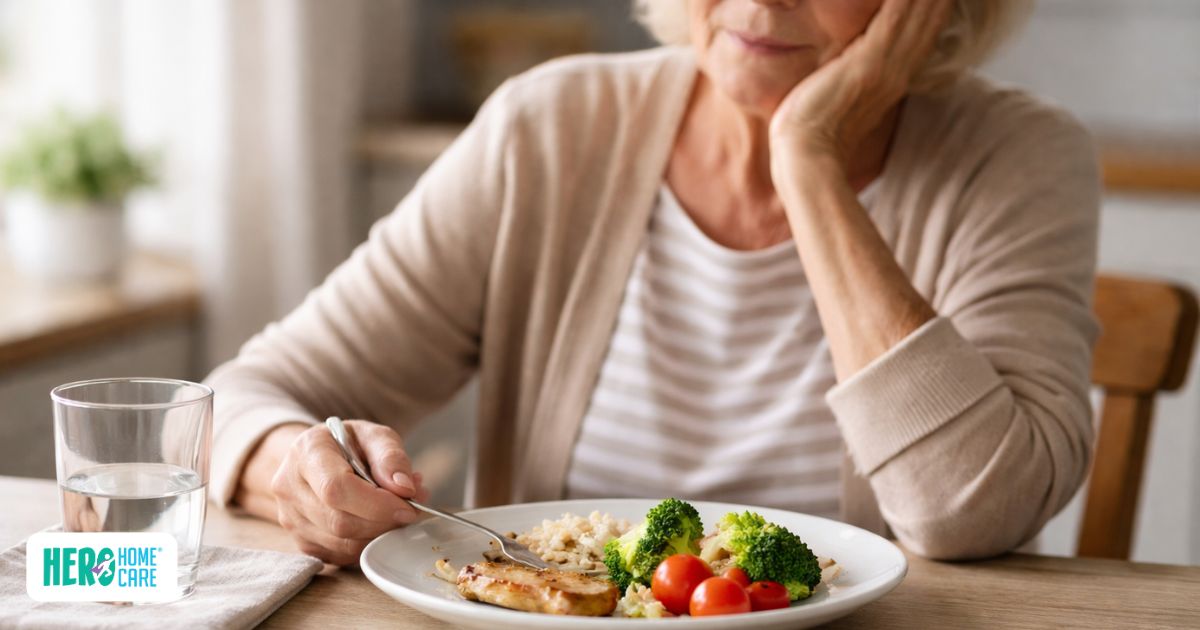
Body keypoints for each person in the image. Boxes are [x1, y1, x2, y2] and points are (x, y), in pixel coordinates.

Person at [205, 0, 1099, 566]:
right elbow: (238, 398)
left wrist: (808, 162)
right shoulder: (549, 126)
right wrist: (294, 468)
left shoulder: (1018, 158)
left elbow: (972, 514)